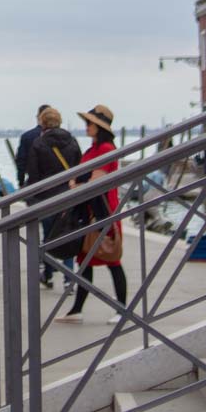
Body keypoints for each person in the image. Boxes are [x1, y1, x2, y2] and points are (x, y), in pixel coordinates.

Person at [66, 103, 127, 319]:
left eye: (89, 123)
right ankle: (77, 309)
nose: (86, 126)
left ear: (98, 127)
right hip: (89, 211)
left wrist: (77, 183)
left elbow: (96, 180)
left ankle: (122, 309)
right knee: (84, 260)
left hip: (103, 211)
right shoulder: (92, 149)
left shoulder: (106, 150)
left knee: (112, 259)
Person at [27, 107, 82, 287]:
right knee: (68, 233)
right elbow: (79, 167)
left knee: (48, 236)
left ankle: (48, 273)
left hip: (46, 197)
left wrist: (32, 197)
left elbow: (34, 175)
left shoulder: (38, 143)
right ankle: (68, 278)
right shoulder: (72, 141)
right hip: (68, 196)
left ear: (42, 123)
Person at [16, 106, 51, 188]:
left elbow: (21, 161)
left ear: (38, 117)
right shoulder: (66, 137)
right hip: (58, 181)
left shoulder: (27, 137)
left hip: (34, 182)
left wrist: (20, 181)